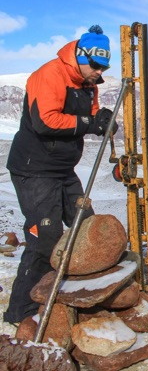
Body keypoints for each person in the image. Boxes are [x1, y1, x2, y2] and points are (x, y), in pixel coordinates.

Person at [4, 25, 118, 324]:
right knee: (45, 238)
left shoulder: (87, 83)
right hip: (34, 169)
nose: (99, 72)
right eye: (95, 65)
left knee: (88, 226)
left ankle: (83, 294)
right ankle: (22, 312)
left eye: (103, 66)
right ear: (79, 56)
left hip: (62, 169)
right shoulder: (50, 74)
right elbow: (45, 121)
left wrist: (101, 120)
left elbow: (89, 116)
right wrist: (88, 122)